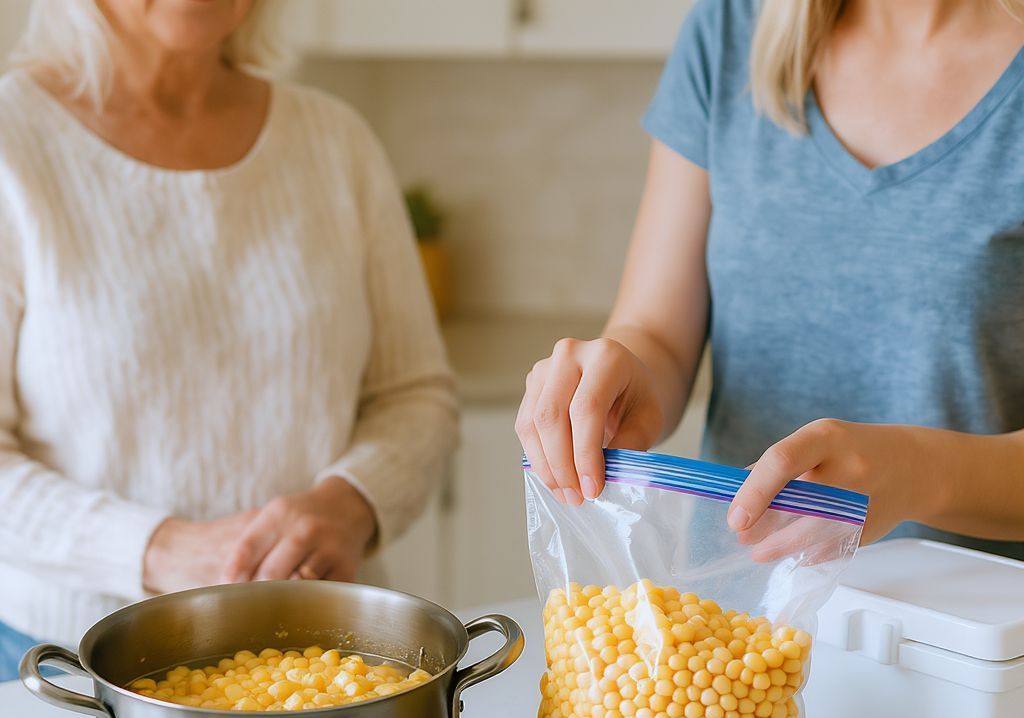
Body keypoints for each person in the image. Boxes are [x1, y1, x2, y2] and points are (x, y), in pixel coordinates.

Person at [0, 0, 458, 679]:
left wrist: (352, 502)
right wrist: (158, 550)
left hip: (326, 661)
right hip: (65, 666)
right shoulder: (12, 142)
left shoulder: (336, 141)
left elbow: (415, 394)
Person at [516, 0, 1024, 559]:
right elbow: (657, 332)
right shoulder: (730, 29)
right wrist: (617, 378)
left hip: (975, 611)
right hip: (734, 600)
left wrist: (920, 471)